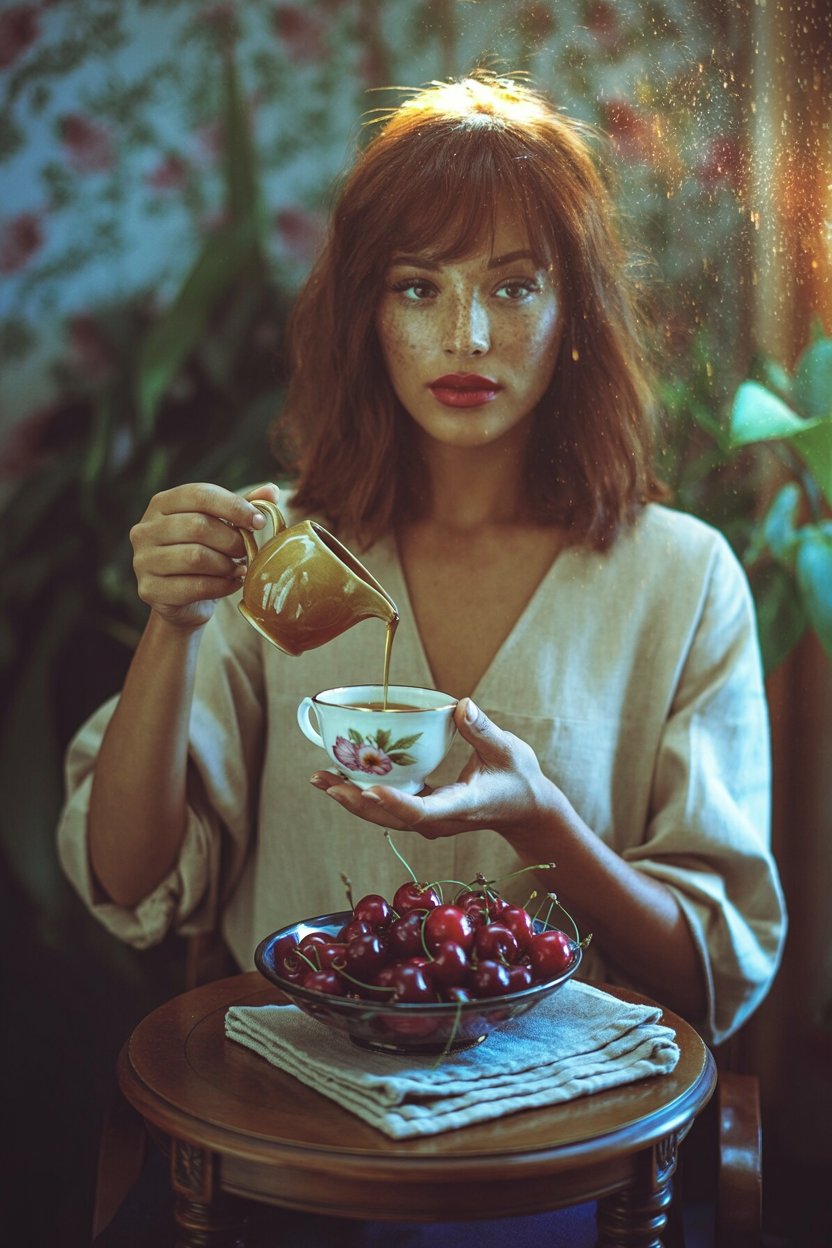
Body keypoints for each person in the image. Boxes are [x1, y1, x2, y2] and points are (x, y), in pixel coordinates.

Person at [58, 73, 784, 1229]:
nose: (467, 336)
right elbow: (129, 877)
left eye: (513, 287)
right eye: (417, 287)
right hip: (288, 1142)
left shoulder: (677, 579)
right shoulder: (282, 560)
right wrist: (176, 622)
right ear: (365, 315)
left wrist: (540, 814)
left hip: (557, 1156)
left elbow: (712, 976)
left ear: (576, 313)